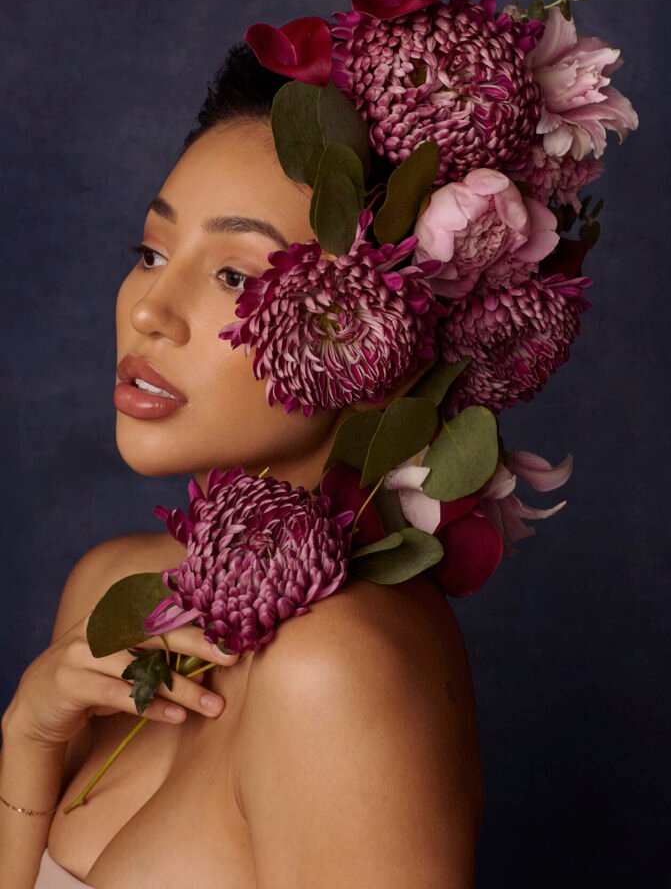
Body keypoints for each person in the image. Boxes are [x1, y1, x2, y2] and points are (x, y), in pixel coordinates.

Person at [0, 43, 483, 889]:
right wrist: (27, 742)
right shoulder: (115, 593)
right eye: (151, 252)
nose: (148, 309)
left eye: (232, 274)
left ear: (388, 352)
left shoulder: (334, 672)